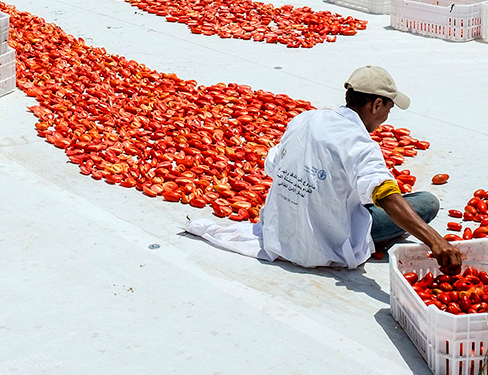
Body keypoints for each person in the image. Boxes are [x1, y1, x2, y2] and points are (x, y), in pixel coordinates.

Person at [185, 66, 462, 274]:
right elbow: (386, 195)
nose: (387, 116)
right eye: (388, 108)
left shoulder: (305, 119)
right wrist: (435, 241)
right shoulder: (360, 143)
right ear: (376, 104)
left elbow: (273, 165)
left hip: (280, 235)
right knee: (425, 203)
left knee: (375, 195)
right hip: (326, 245)